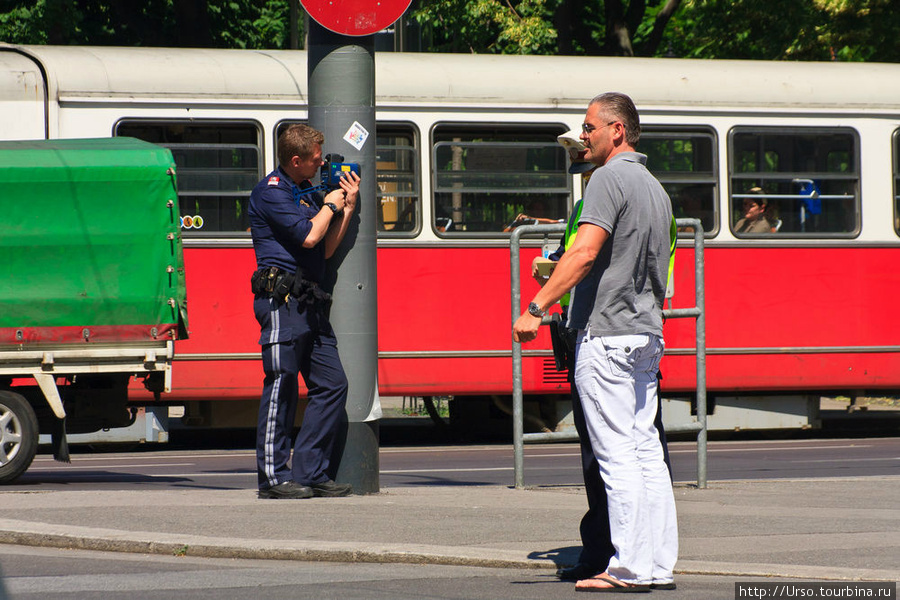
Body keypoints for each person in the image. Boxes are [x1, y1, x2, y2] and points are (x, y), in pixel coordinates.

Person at [514, 93, 678, 592]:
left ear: (617, 131)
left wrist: (536, 308)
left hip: (606, 335)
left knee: (617, 456)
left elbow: (583, 252)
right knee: (646, 451)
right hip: (646, 334)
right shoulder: (655, 187)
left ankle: (626, 567)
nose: (582, 136)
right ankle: (656, 565)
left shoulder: (608, 178)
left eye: (589, 128)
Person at [249, 124, 361, 500]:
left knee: (333, 384)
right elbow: (309, 236)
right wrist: (330, 204)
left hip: (310, 302)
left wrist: (347, 206)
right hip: (281, 300)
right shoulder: (272, 192)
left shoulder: (307, 192)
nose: (322, 162)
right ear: (295, 159)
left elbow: (325, 249)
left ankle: (310, 472)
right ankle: (272, 478)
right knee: (282, 383)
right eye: (316, 158)